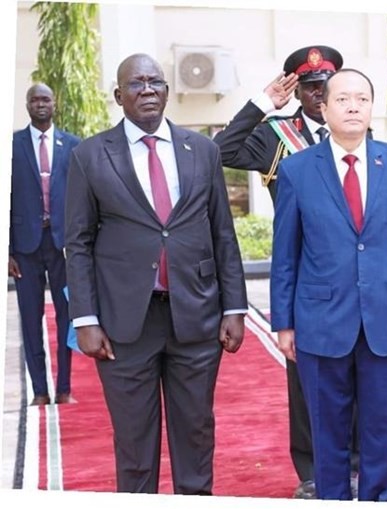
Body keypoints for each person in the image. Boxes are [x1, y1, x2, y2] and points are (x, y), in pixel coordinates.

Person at [64, 53, 248, 494]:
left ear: (166, 91)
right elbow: (78, 243)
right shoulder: (90, 156)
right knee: (134, 443)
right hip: (125, 324)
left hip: (197, 316)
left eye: (155, 82)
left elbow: (223, 231)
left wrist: (235, 306)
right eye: (136, 83)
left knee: (196, 433)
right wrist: (85, 319)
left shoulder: (202, 149)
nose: (147, 90)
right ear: (118, 95)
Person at [270, 68, 387, 501]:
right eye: (343, 99)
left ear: (372, 106)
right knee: (328, 435)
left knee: (380, 433)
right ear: (323, 106)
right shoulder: (298, 170)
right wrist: (283, 322)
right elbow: (285, 254)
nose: (353, 106)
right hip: (321, 322)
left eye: (362, 98)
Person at [213, 45, 360, 499]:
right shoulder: (278, 135)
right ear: (298, 90)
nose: (319, 94)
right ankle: (313, 473)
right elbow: (221, 151)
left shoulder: (355, 129)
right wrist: (262, 104)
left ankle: (355, 466)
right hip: (305, 273)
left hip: (355, 272)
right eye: (310, 86)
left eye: (325, 85)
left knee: (359, 372)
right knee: (307, 379)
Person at [9, 83, 81, 406]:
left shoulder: (73, 146)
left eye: (46, 99)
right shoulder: (11, 146)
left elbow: (82, 200)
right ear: (27, 105)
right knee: (30, 317)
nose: (40, 104)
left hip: (62, 245)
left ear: (55, 103)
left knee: (67, 317)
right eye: (35, 99)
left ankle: (65, 388)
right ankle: (40, 390)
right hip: (25, 249)